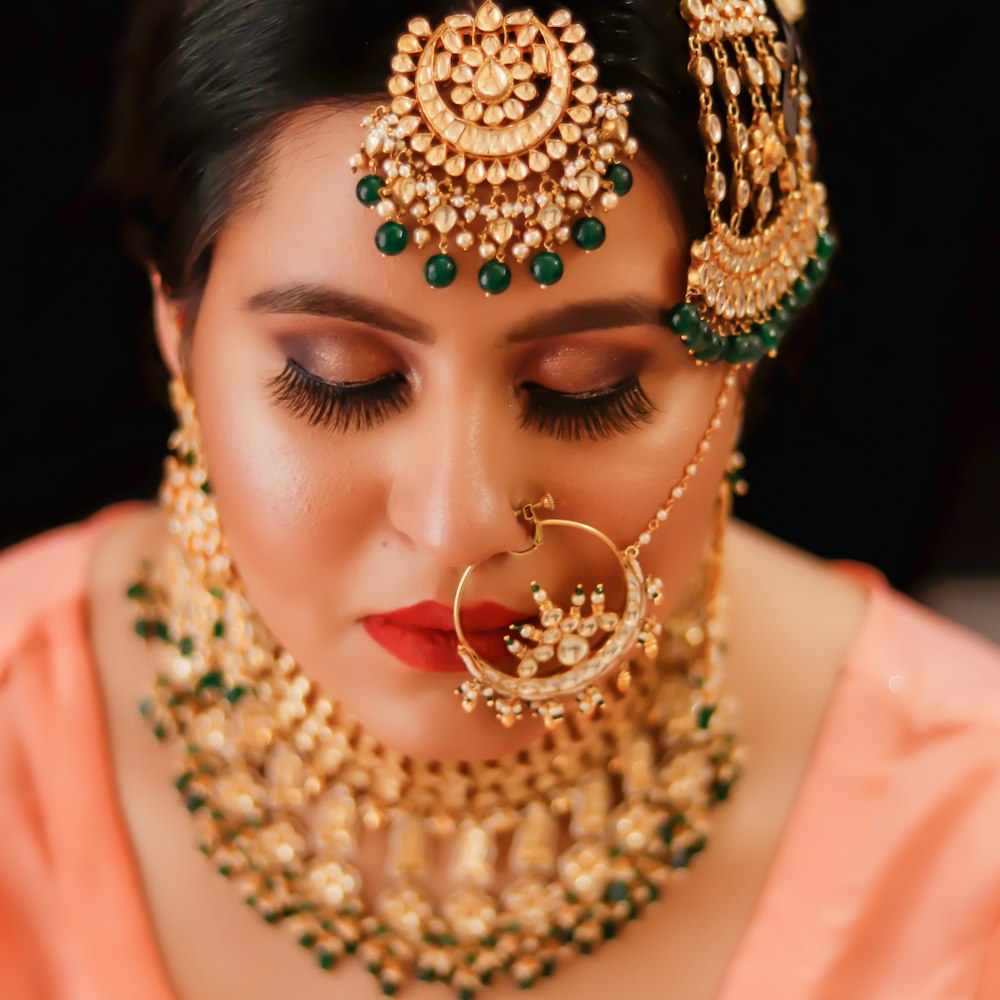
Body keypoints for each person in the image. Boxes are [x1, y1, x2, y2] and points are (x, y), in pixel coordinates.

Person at [2, 1, 999, 998]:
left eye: (583, 385)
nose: (457, 522)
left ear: (740, 363)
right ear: (177, 330)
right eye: (340, 375)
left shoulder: (963, 832)